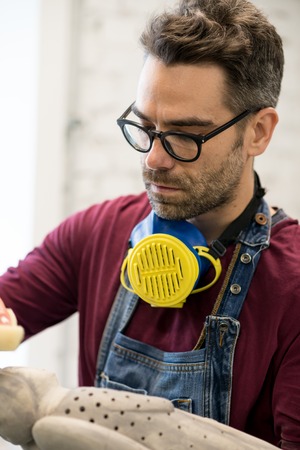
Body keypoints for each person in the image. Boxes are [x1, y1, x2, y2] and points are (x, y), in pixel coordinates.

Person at [0, 0, 299, 448]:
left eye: (185, 135)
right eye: (145, 127)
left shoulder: (293, 286)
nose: (154, 159)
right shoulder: (95, 233)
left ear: (258, 131)